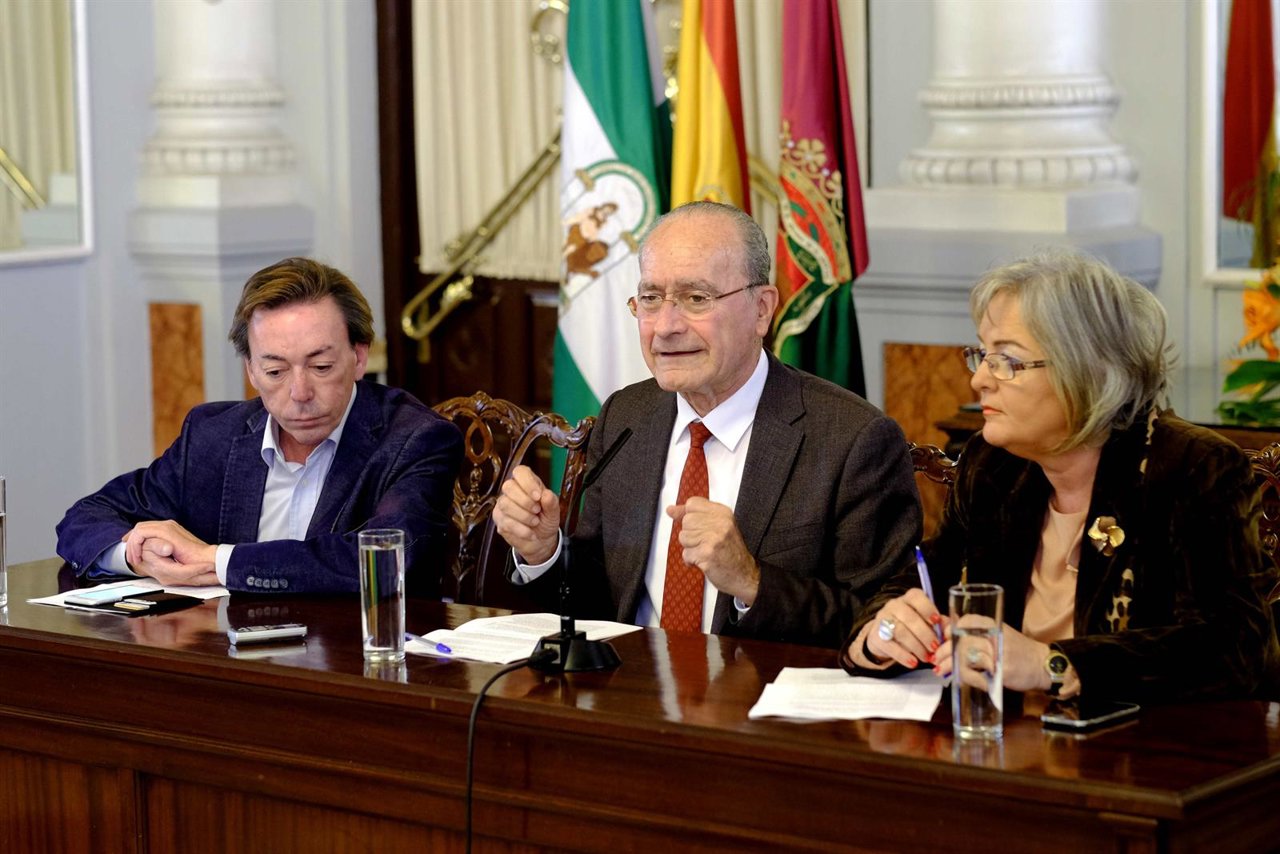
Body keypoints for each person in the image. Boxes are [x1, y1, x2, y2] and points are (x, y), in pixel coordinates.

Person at [841, 250, 1280, 701]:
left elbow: (1234, 649)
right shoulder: (993, 466)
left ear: (1086, 372)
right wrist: (882, 633)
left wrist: (1053, 663)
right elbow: (923, 578)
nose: (979, 382)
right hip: (1004, 745)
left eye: (1007, 361)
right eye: (982, 355)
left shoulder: (1192, 468)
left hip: (1143, 758)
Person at [493, 201, 921, 648]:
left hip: (760, 706)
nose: (665, 327)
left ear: (762, 309)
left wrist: (753, 582)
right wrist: (544, 552)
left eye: (696, 298)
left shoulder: (851, 440)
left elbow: (882, 624)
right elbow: (601, 601)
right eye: (652, 299)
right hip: (630, 695)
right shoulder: (627, 416)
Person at [56, 258, 463, 594]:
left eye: (321, 367)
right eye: (275, 370)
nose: (300, 391)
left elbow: (384, 560)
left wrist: (216, 561)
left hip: (357, 666)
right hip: (225, 662)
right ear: (250, 370)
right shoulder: (213, 434)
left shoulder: (415, 440)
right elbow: (86, 517)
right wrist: (139, 554)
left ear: (359, 358)